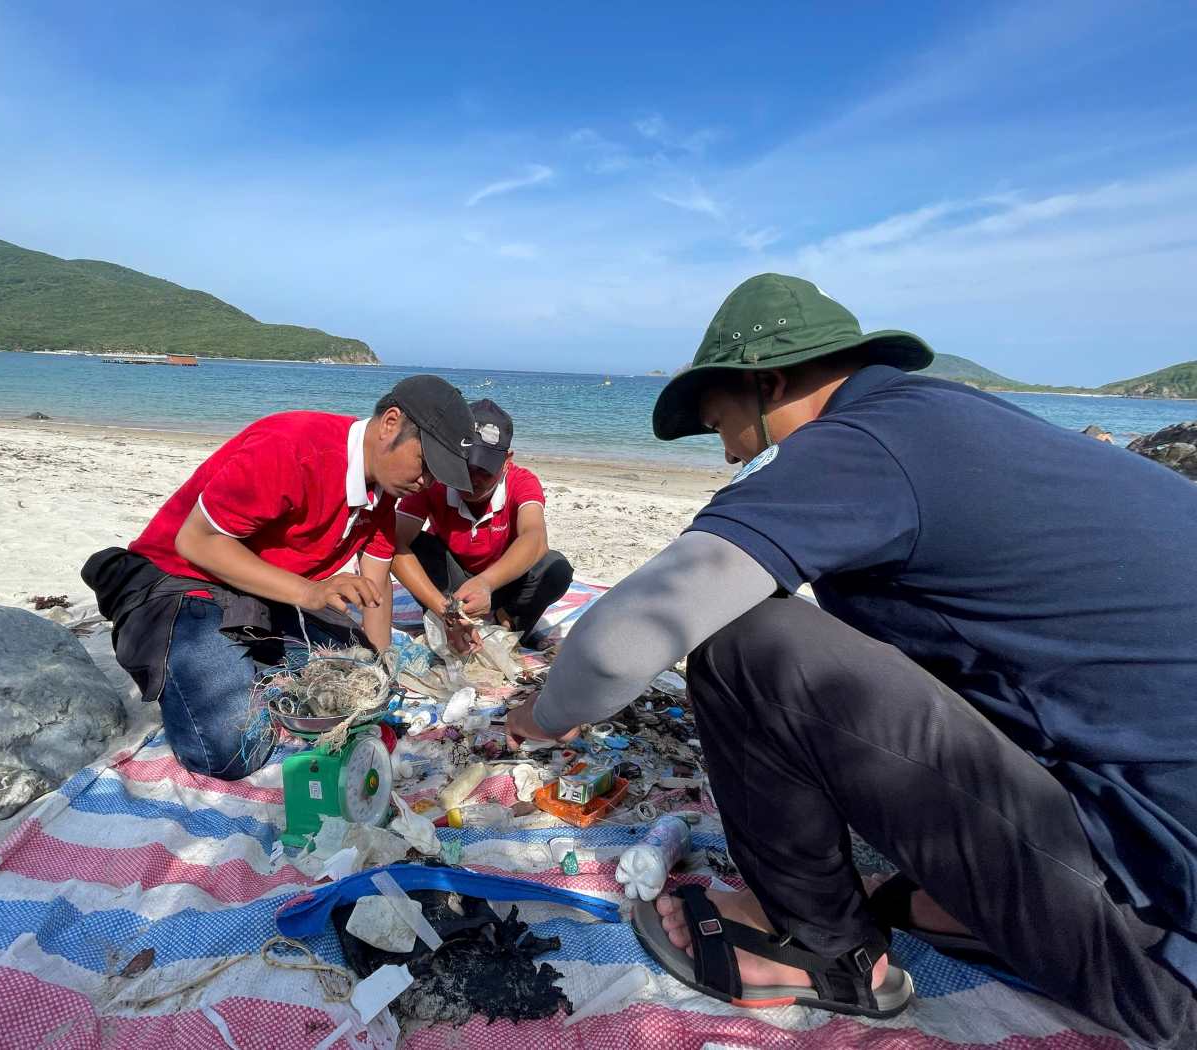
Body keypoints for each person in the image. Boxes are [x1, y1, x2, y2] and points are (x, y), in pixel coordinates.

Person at [504, 274, 1197, 1044]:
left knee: (745, 642)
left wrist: (541, 715)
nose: (726, 449)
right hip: (1148, 847)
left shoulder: (861, 443)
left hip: (1164, 949)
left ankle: (817, 949)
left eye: (720, 418)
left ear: (767, 382)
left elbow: (621, 641)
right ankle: (956, 900)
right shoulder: (961, 423)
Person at [82, 375, 475, 781]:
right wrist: (309, 591)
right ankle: (185, 660)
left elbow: (375, 589)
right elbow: (196, 541)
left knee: (351, 674)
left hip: (261, 592)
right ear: (390, 423)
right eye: (425, 464)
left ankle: (244, 662)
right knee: (232, 750)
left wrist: (376, 677)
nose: (426, 482)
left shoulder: (386, 490)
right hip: (182, 583)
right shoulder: (292, 447)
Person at [383, 398, 572, 650]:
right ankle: (450, 619)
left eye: (484, 470)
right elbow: (393, 540)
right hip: (451, 583)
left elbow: (534, 538)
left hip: (502, 582)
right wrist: (443, 608)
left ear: (506, 461)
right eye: (465, 467)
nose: (472, 480)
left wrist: (486, 583)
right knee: (411, 544)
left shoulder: (522, 482)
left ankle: (507, 622)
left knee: (556, 568)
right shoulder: (434, 481)